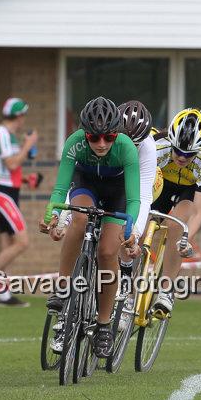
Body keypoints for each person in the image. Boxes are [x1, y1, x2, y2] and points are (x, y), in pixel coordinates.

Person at [41, 97, 141, 358]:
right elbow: (61, 189)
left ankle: (104, 324)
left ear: (116, 134)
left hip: (117, 192)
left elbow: (133, 200)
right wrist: (51, 214)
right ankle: (63, 287)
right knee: (80, 218)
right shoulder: (74, 143)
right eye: (93, 138)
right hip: (86, 184)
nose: (101, 144)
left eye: (108, 137)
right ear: (84, 134)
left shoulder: (127, 148)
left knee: (108, 252)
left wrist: (129, 230)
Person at [151, 108, 201, 314]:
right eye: (177, 151)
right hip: (162, 181)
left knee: (175, 226)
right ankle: (127, 293)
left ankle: (166, 290)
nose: (181, 157)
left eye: (188, 154)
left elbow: (198, 212)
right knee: (142, 224)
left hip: (191, 189)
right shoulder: (157, 147)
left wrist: (187, 238)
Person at [0, 97, 38, 307]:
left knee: (9, 246)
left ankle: (2, 293)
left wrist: (26, 179)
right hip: (0, 194)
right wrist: (28, 144)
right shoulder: (2, 134)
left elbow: (6, 170)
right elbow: (12, 163)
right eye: (23, 114)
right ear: (19, 115)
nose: (24, 119)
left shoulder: (9, 136)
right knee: (23, 242)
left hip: (6, 191)